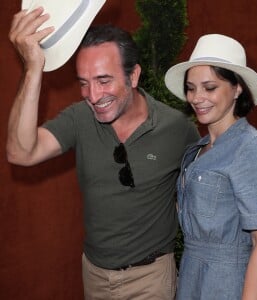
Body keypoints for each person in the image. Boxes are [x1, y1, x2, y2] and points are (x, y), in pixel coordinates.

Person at [7, 7, 200, 300]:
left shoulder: (176, 127)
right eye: (83, 83)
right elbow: (21, 152)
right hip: (95, 276)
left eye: (104, 80)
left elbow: (201, 196)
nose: (93, 96)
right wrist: (33, 67)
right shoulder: (79, 117)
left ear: (133, 75)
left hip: (150, 279)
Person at [164, 34, 257, 299]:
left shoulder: (253, 148)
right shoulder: (196, 150)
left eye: (210, 87)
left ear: (237, 88)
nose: (197, 97)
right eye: (191, 88)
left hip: (229, 284)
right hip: (192, 277)